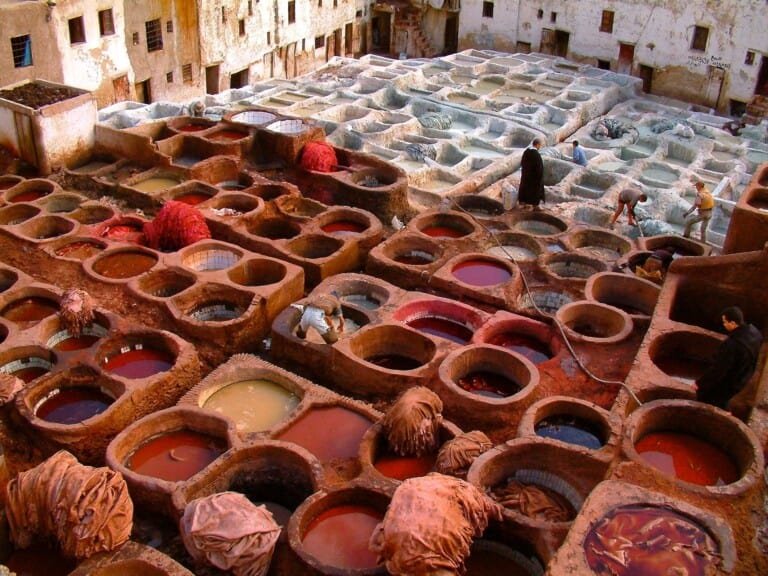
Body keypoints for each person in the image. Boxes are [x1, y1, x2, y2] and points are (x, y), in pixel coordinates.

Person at [696, 306, 762, 410]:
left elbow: (719, 370)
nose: (724, 325)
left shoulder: (732, 345)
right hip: (743, 377)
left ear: (733, 323)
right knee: (723, 398)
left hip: (731, 380)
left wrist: (700, 383)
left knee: (706, 397)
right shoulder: (755, 332)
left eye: (725, 322)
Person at [518, 137, 545, 210]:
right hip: (534, 178)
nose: (540, 147)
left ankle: (523, 203)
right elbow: (539, 168)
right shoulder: (536, 154)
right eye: (540, 145)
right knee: (535, 190)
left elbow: (522, 163)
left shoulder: (526, 151)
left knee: (525, 188)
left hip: (526, 175)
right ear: (538, 145)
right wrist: (540, 177)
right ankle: (535, 205)